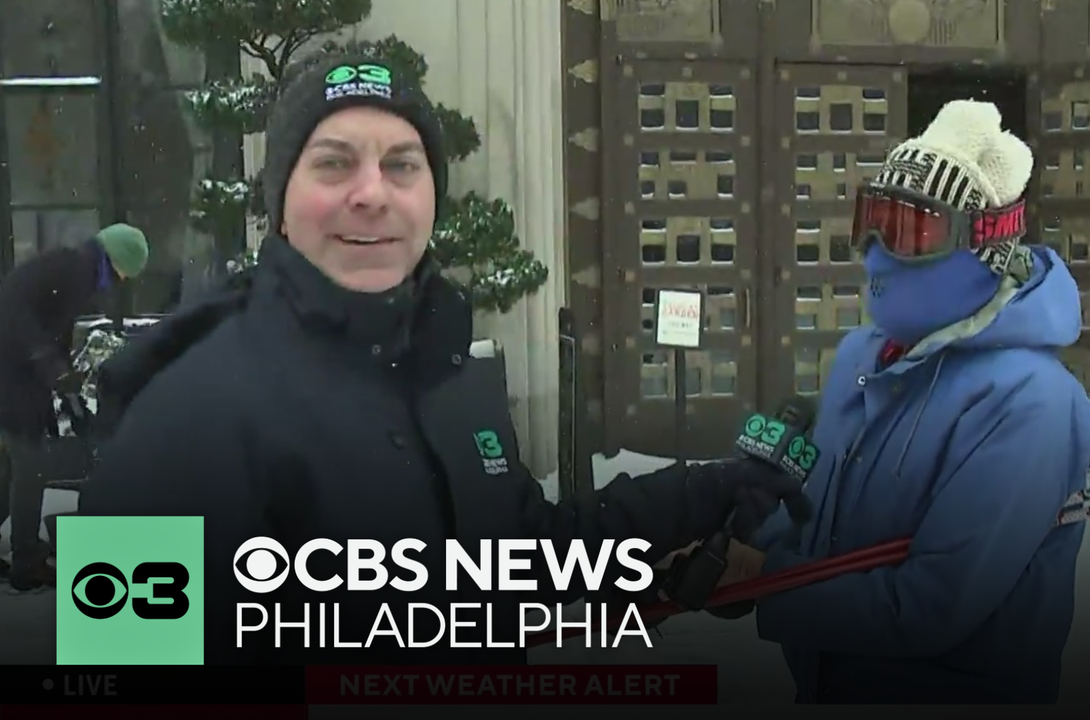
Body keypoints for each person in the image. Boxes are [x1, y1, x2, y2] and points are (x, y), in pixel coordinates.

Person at [76, 54, 810, 665]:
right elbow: (121, 656)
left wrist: (703, 500)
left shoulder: (451, 378)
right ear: (280, 205)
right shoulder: (181, 404)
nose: (372, 194)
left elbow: (520, 557)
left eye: (402, 165)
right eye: (333, 164)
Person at [723, 101, 1090, 703]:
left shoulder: (1032, 402)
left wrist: (764, 581)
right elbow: (814, 517)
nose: (875, 252)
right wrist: (742, 539)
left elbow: (931, 605)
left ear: (981, 245)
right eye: (871, 221)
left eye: (910, 230)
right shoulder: (862, 357)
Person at [0, 224, 149, 591]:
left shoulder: (76, 269)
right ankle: (26, 562)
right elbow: (15, 308)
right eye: (125, 274)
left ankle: (26, 553)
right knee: (30, 463)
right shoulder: (73, 268)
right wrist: (47, 361)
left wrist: (63, 372)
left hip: (20, 372)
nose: (122, 282)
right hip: (12, 372)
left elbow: (52, 325)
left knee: (13, 465)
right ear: (117, 261)